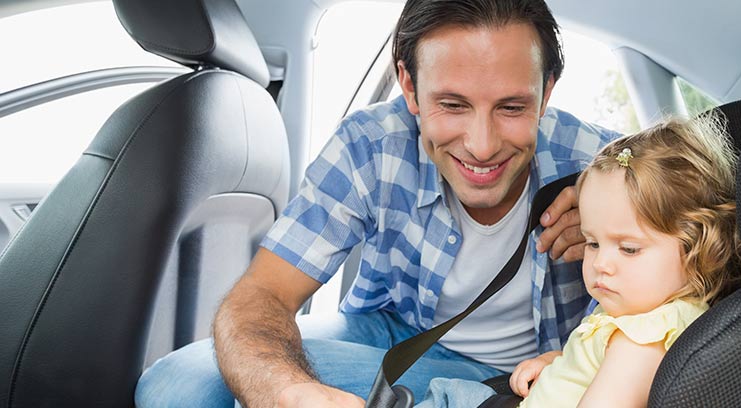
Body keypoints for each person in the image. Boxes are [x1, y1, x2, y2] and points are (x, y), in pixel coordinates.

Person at [133, 0, 620, 407]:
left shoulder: (609, 166)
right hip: (395, 335)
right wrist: (289, 392)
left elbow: (696, 232)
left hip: (531, 375)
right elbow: (260, 297)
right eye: (451, 105)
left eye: (512, 107)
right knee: (177, 383)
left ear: (546, 91)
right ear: (408, 85)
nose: (483, 144)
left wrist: (624, 221)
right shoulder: (370, 146)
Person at [413, 113, 741, 408]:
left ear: (700, 247)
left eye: (629, 249)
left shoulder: (643, 339)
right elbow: (596, 368)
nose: (601, 263)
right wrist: (557, 364)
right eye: (592, 243)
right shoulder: (640, 309)